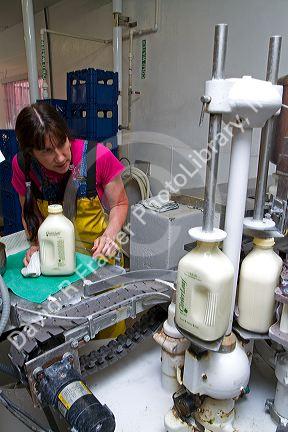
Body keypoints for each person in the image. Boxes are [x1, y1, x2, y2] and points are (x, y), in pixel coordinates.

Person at [12, 102, 129, 336]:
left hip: (98, 264)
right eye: (47, 151)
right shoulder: (23, 166)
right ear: (30, 152)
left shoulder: (97, 156)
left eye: (62, 143)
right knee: (63, 335)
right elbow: (28, 210)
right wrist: (36, 243)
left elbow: (120, 204)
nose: (60, 157)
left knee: (106, 337)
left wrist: (110, 235)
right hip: (56, 272)